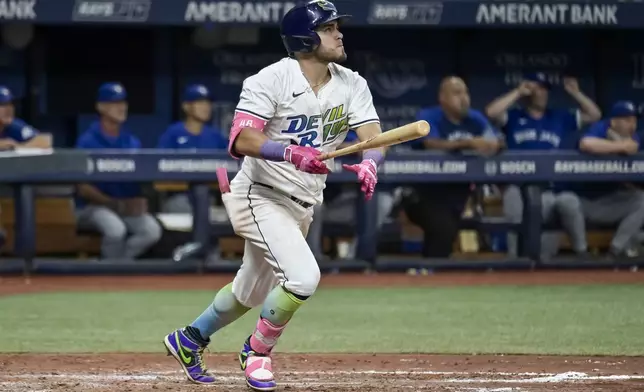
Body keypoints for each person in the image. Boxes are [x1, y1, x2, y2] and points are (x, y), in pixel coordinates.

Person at [163, 1, 385, 390]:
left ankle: (189, 339)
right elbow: (242, 138)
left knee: (248, 291)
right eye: (329, 28)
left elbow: (374, 138)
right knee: (302, 278)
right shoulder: (270, 79)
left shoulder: (352, 83)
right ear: (305, 38)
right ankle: (257, 352)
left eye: (337, 27)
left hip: (303, 203)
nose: (339, 33)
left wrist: (371, 162)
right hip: (260, 195)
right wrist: (290, 151)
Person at [485, 72, 601, 260]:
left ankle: (582, 255)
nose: (543, 93)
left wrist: (576, 93)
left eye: (545, 89)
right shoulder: (515, 117)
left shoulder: (559, 117)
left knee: (569, 203)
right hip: (519, 188)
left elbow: (595, 115)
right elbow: (491, 112)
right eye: (539, 88)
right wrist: (518, 92)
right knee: (515, 213)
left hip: (550, 190)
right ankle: (514, 263)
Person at [400, 76, 502, 258]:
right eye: (457, 93)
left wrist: (494, 145)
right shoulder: (428, 116)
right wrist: (468, 143)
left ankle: (430, 272)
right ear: (443, 98)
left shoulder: (475, 119)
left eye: (465, 93)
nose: (463, 98)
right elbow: (431, 144)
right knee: (443, 227)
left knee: (445, 229)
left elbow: (495, 140)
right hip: (424, 194)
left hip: (457, 195)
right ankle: (432, 272)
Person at [75, 82, 162, 259]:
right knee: (116, 230)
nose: (121, 107)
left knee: (151, 230)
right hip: (93, 207)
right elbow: (82, 187)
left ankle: (116, 267)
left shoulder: (131, 141)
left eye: (123, 102)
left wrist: (140, 200)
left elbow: (141, 178)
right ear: (101, 107)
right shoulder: (87, 141)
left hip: (123, 206)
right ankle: (111, 273)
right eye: (114, 103)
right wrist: (115, 204)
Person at [576, 101, 644, 260]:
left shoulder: (632, 136)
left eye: (634, 120)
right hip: (582, 202)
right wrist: (619, 146)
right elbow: (586, 144)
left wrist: (618, 144)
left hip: (609, 202)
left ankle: (616, 250)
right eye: (627, 120)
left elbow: (632, 147)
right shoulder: (601, 127)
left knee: (641, 199)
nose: (632, 125)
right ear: (613, 121)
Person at [157, 84, 227, 213]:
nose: (206, 107)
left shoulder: (215, 136)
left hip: (209, 197)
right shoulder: (173, 133)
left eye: (208, 103)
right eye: (200, 102)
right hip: (179, 197)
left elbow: (227, 168)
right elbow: (160, 167)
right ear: (186, 107)